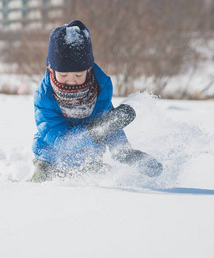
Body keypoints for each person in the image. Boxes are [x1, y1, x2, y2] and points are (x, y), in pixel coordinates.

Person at [31, 20, 162, 182]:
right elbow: (62, 141)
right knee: (41, 183)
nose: (71, 80)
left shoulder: (99, 90)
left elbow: (109, 125)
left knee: (112, 181)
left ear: (88, 69)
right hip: (51, 159)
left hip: (89, 159)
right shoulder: (45, 97)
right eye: (63, 75)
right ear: (51, 69)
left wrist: (124, 152)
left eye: (78, 75)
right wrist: (97, 130)